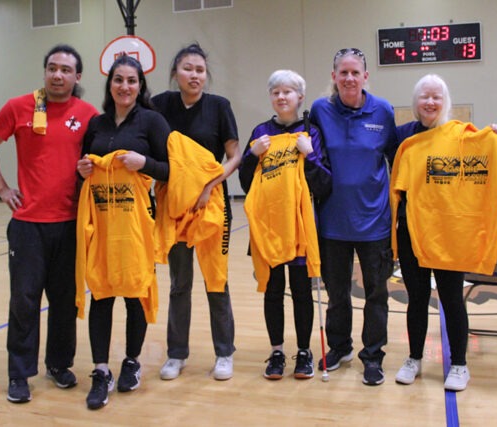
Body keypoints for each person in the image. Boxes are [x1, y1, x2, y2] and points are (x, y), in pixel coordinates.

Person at [0, 44, 99, 403]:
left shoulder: (89, 114)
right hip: (27, 224)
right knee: (24, 300)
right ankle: (19, 373)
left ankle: (59, 365)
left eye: (65, 70)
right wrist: (1, 187)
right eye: (52, 68)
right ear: (44, 71)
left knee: (64, 300)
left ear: (77, 77)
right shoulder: (19, 107)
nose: (57, 75)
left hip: (70, 223)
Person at [392, 74, 497, 391]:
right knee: (415, 298)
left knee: (451, 299)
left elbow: (484, 148)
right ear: (416, 102)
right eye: (424, 97)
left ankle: (459, 364)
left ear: (445, 102)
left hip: (448, 232)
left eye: (436, 97)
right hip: (412, 232)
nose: (430, 102)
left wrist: (495, 136)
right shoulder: (403, 138)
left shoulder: (461, 136)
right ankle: (414, 358)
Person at [75, 55, 170, 409]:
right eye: (118, 80)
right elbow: (81, 169)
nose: (125, 86)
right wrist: (83, 168)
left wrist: (144, 163)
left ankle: (131, 361)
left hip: (135, 225)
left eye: (132, 80)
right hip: (101, 222)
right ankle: (101, 370)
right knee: (100, 293)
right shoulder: (96, 124)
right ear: (109, 84)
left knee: (134, 293)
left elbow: (170, 171)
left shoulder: (153, 121)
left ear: (140, 85)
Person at [152, 43, 241, 381]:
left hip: (211, 205)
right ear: (176, 72)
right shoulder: (159, 105)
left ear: (206, 75)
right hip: (174, 207)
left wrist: (208, 186)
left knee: (216, 280)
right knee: (179, 283)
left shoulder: (219, 106)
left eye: (200, 70)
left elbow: (234, 155)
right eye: (188, 68)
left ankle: (224, 352)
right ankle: (177, 354)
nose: (194, 75)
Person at [309, 48, 398, 386]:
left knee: (376, 294)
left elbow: (397, 157)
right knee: (338, 293)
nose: (349, 78)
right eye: (342, 73)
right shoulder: (320, 110)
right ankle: (340, 347)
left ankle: (373, 356)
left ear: (365, 76)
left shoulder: (383, 111)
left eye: (355, 72)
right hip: (333, 222)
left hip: (374, 222)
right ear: (333, 77)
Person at [238, 70, 331, 380]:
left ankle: (303, 351)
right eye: (276, 92)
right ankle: (277, 351)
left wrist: (311, 154)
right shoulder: (260, 132)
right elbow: (244, 182)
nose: (281, 97)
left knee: (302, 291)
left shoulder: (311, 133)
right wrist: (251, 155)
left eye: (288, 92)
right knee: (273, 291)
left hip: (300, 227)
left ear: (300, 97)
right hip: (268, 226)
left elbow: (323, 185)